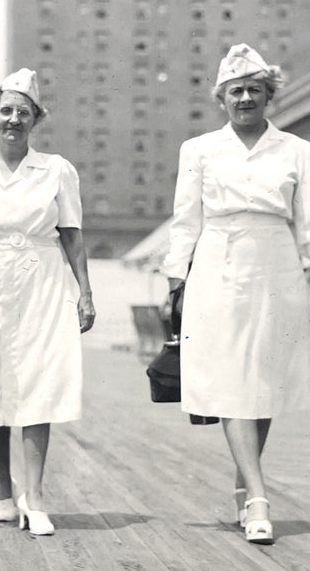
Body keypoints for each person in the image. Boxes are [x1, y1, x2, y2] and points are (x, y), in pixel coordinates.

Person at [0, 68, 95, 536]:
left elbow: (72, 236)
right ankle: (4, 489)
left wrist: (85, 291)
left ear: (35, 121)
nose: (13, 119)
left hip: (43, 283)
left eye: (23, 113)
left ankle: (36, 496)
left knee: (38, 386)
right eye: (5, 110)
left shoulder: (57, 171)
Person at [163, 44, 310, 545]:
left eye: (254, 90)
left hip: (277, 266)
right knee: (230, 378)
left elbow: (306, 223)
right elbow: (185, 221)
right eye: (235, 91)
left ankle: (242, 485)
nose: (245, 98)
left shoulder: (296, 150)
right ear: (221, 98)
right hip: (217, 265)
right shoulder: (198, 150)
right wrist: (175, 279)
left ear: (269, 95)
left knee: (263, 381)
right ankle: (261, 497)